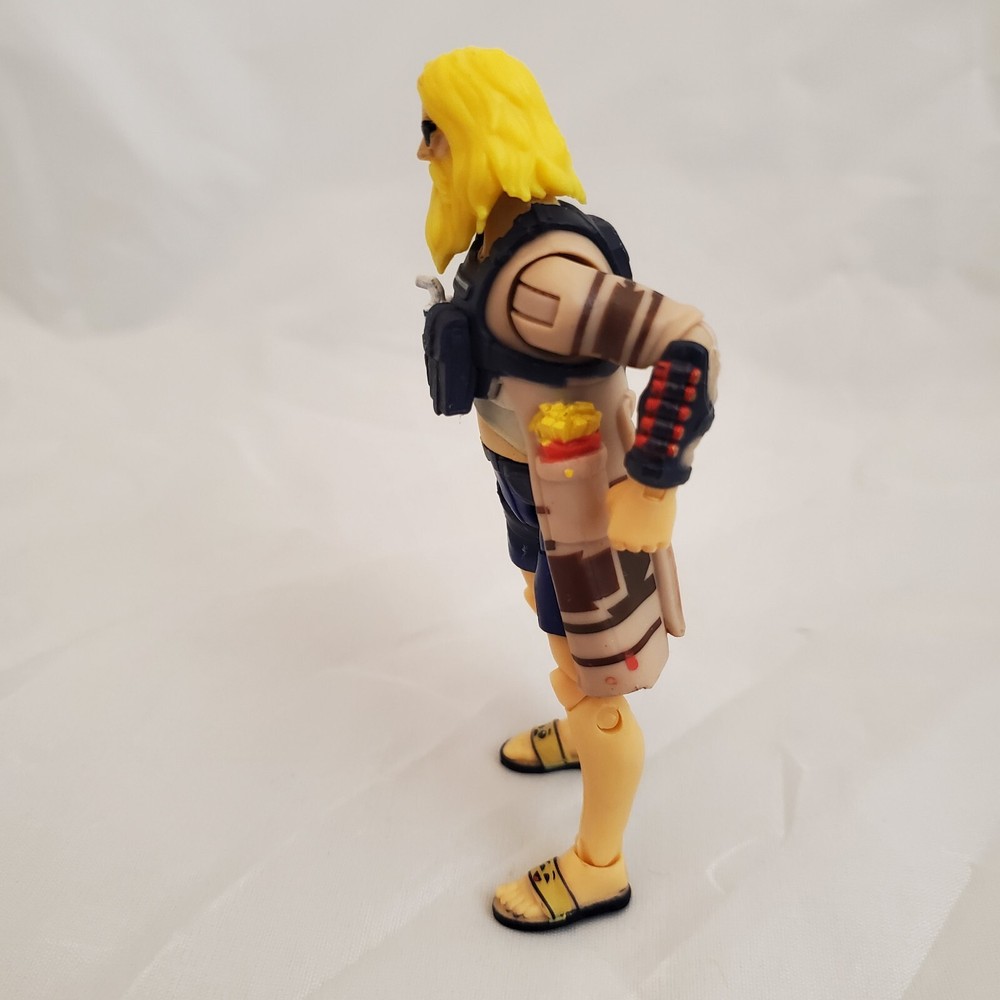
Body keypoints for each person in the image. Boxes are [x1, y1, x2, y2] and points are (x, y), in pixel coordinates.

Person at [416, 47, 719, 931]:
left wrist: (654, 485)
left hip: (587, 515)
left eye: (434, 129)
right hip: (533, 493)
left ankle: (598, 866)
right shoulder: (499, 243)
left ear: (477, 133)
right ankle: (577, 711)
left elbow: (689, 342)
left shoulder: (545, 277)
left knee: (600, 691)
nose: (424, 150)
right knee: (551, 625)